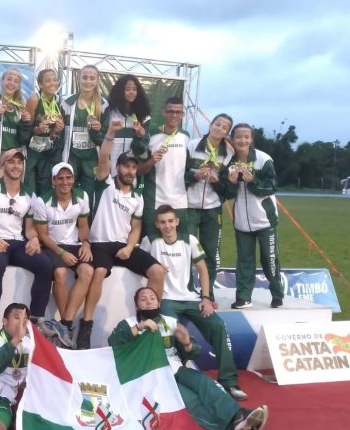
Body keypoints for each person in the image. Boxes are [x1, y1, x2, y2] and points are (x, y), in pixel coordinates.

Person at [108, 287, 269, 430]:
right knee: (189, 399)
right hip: (149, 375)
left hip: (175, 368)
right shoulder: (128, 323)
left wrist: (187, 344)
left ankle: (238, 417)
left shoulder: (170, 322)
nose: (149, 301)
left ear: (158, 303)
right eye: (143, 299)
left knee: (205, 383)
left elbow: (193, 353)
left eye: (152, 298)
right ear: (137, 306)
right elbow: (113, 343)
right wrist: (139, 327)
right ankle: (228, 427)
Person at [144, 204, 247, 401]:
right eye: (163, 222)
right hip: (166, 298)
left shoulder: (190, 240)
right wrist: (153, 266)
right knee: (169, 329)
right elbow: (140, 265)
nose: (167, 226)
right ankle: (176, 377)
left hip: (190, 298)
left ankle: (229, 382)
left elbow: (203, 269)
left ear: (177, 222)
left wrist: (206, 298)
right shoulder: (150, 241)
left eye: (170, 221)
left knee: (218, 325)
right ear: (157, 224)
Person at [80, 135, 165, 350]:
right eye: (126, 166)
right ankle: (86, 325)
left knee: (157, 272)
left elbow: (135, 228)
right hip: (100, 243)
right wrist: (110, 132)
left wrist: (129, 247)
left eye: (133, 168)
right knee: (99, 272)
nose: (130, 171)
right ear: (117, 167)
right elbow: (104, 156)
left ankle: (152, 320)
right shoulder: (105, 184)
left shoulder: (138, 197)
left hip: (123, 246)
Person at [0, 149, 53, 331]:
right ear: (3, 165)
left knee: (45, 265)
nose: (16, 166)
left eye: (19, 162)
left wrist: (35, 239)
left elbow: (29, 229)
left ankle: (37, 320)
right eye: (11, 162)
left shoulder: (30, 195)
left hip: (17, 243)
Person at [223, 123, 284, 309]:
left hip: (265, 220)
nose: (242, 140)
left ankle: (277, 294)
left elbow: (272, 187)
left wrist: (253, 181)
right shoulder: (229, 162)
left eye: (246, 137)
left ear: (251, 139)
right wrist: (231, 182)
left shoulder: (263, 159)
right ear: (232, 139)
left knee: (269, 259)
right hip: (242, 221)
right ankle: (243, 297)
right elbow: (227, 194)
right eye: (238, 137)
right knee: (244, 261)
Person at [33, 162, 93, 348]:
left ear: (73, 179)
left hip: (74, 244)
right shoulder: (42, 201)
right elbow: (42, 235)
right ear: (53, 180)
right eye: (60, 178)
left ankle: (66, 323)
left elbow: (83, 226)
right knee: (60, 273)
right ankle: (67, 327)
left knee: (87, 271)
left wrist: (86, 243)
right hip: (52, 246)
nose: (65, 182)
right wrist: (61, 252)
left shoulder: (82, 196)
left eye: (68, 178)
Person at [186, 113, 234, 301]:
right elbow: (180, 176)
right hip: (189, 206)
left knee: (211, 253)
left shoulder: (228, 154)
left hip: (213, 209)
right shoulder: (191, 146)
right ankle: (187, 290)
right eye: (217, 124)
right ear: (211, 125)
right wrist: (195, 176)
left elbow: (228, 189)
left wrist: (215, 181)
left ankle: (208, 292)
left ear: (226, 133)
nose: (219, 128)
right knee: (187, 250)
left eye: (224, 127)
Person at [137, 97, 191, 240]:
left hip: (179, 201)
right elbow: (139, 170)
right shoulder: (152, 137)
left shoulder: (186, 137)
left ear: (182, 115)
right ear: (163, 112)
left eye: (178, 112)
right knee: (151, 242)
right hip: (155, 200)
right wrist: (151, 161)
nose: (174, 115)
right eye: (170, 111)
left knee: (181, 244)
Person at [60, 65, 107, 201]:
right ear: (79, 79)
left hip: (92, 158)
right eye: (84, 77)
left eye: (92, 78)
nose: (88, 81)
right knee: (68, 193)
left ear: (97, 81)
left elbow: (107, 135)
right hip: (71, 156)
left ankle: (88, 216)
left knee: (89, 196)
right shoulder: (67, 102)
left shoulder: (104, 104)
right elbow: (59, 132)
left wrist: (100, 130)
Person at [0, 68, 32, 177]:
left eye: (16, 81)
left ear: (18, 86)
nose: (12, 83)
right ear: (2, 81)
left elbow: (24, 139)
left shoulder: (20, 108)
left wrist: (25, 123)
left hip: (16, 158)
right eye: (9, 79)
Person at [24, 68, 65, 196]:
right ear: (40, 84)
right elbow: (25, 129)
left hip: (47, 149)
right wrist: (38, 130)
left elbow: (53, 135)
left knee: (45, 186)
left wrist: (56, 131)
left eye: (55, 80)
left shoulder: (59, 101)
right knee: (29, 185)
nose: (53, 83)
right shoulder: (34, 99)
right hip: (31, 149)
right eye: (48, 80)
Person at [103, 74, 150, 178]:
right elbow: (100, 138)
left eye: (134, 89)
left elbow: (141, 151)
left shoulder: (144, 116)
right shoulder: (109, 111)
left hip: (130, 171)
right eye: (127, 89)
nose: (131, 92)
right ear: (120, 91)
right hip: (109, 167)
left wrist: (140, 136)